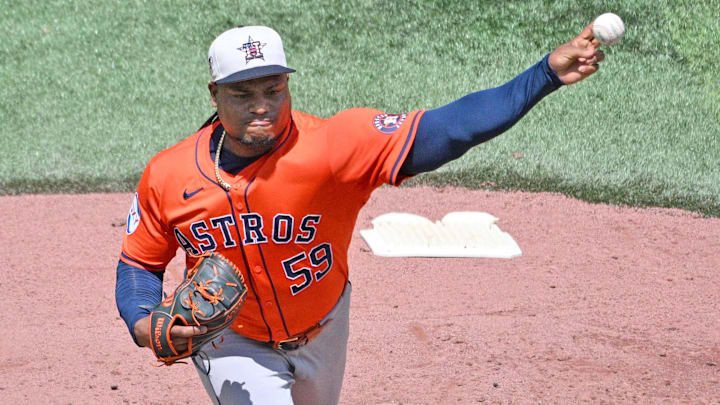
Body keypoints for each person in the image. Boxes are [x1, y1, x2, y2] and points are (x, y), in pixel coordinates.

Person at [115, 23, 604, 405]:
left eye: (273, 89)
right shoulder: (168, 174)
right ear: (214, 94)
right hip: (232, 342)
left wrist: (544, 75)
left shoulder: (334, 146)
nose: (262, 107)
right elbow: (140, 262)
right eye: (243, 95)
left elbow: (451, 129)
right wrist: (142, 320)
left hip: (325, 327)